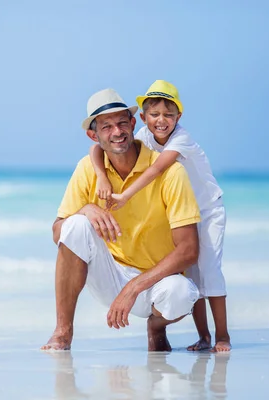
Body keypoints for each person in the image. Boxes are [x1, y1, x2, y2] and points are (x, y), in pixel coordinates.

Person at [41, 88, 201, 352]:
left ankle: (157, 326)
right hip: (110, 274)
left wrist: (134, 287)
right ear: (93, 135)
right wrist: (86, 210)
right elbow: (59, 232)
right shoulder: (87, 168)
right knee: (77, 223)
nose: (117, 132)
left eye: (122, 123)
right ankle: (62, 333)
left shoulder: (170, 172)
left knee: (183, 295)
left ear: (133, 123)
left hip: (155, 282)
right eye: (106, 127)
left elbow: (189, 250)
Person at [88, 80, 231, 352]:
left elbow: (156, 169)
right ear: (142, 118)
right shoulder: (142, 135)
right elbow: (97, 148)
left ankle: (222, 336)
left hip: (207, 210)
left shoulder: (181, 139)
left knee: (209, 270)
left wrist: (125, 195)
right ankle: (204, 338)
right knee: (192, 275)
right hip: (182, 210)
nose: (161, 121)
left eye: (169, 115)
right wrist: (101, 176)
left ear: (179, 117)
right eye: (154, 115)